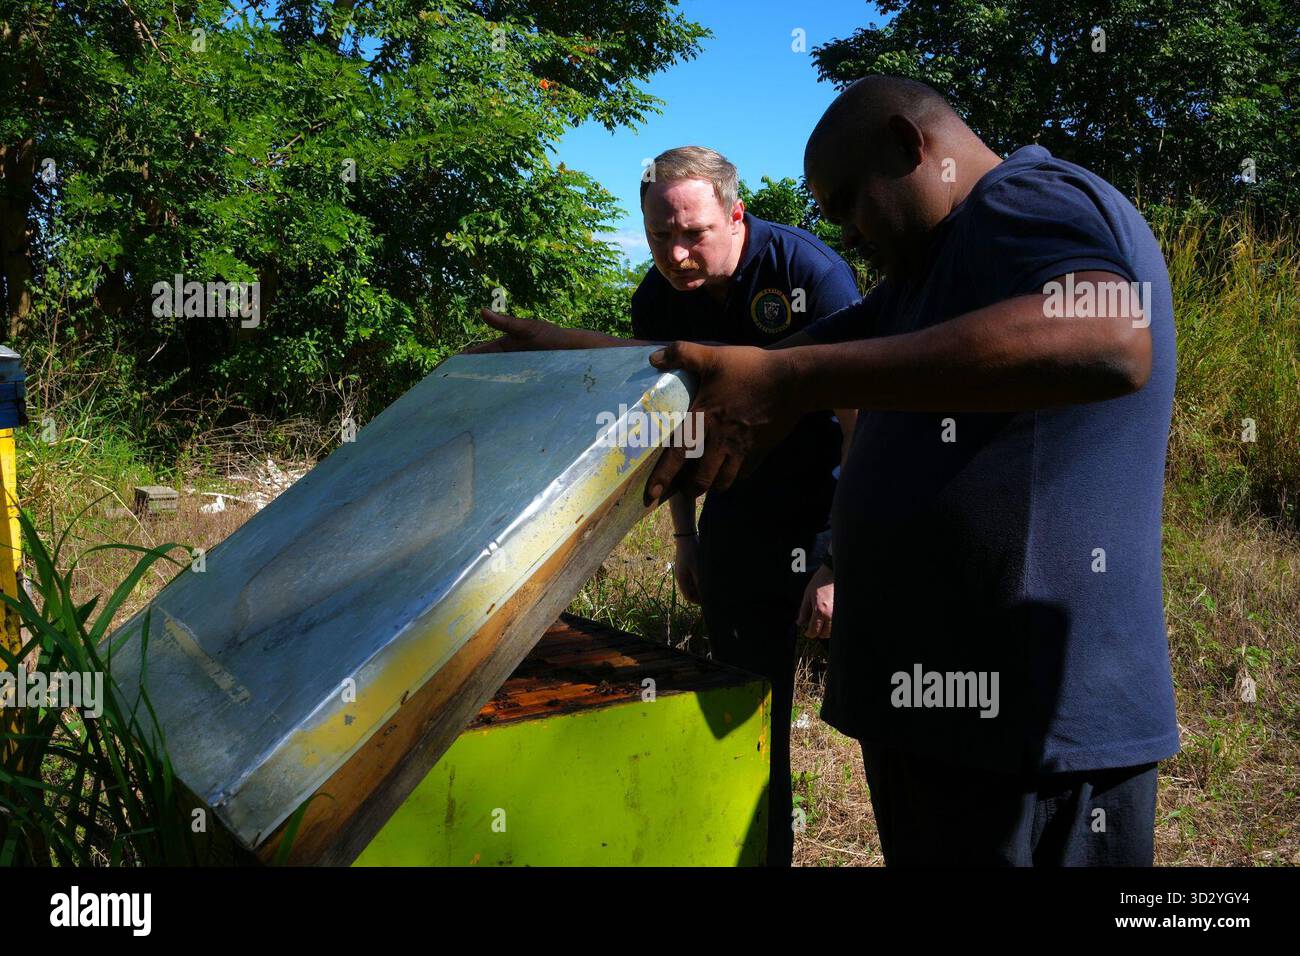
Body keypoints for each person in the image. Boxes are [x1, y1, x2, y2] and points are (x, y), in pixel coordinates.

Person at [642, 76, 1181, 866]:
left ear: (908, 144)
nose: (849, 240)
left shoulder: (1023, 200)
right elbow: (752, 369)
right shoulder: (923, 279)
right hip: (945, 729)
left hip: (1031, 738)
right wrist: (558, 358)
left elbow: (1106, 333)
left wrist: (798, 387)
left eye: (849, 203)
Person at [475, 145, 859, 867]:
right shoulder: (657, 299)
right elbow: (671, 424)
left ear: (735, 214)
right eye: (659, 236)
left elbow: (860, 420)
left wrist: (841, 559)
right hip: (738, 512)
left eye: (694, 234)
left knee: (872, 710)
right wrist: (686, 538)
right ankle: (756, 849)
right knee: (743, 700)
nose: (676, 254)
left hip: (836, 506)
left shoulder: (809, 275)